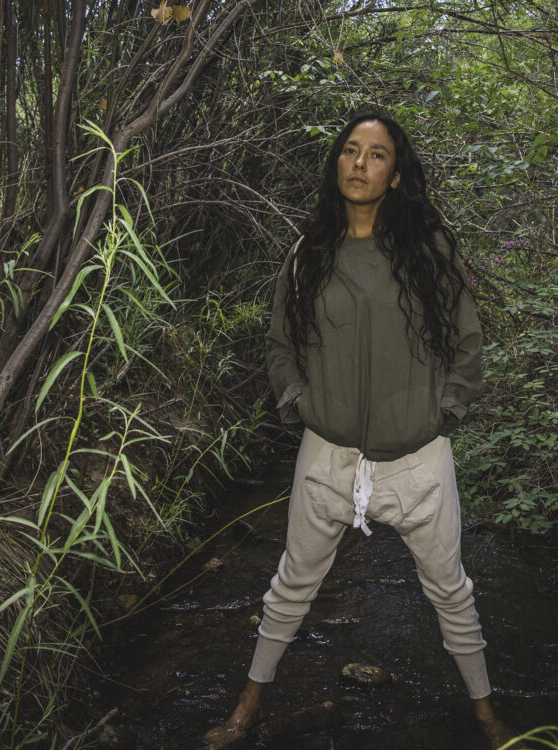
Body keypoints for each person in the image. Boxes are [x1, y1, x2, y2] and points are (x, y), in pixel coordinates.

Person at [205, 110, 516, 749]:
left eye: (376, 155)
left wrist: (444, 412)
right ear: (336, 163)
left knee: (451, 591)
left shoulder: (430, 250)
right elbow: (279, 344)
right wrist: (302, 403)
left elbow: (468, 341)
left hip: (418, 458)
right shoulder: (310, 253)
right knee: (292, 583)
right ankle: (247, 704)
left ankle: (486, 715)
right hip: (328, 454)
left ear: (396, 175)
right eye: (350, 150)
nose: (359, 163)